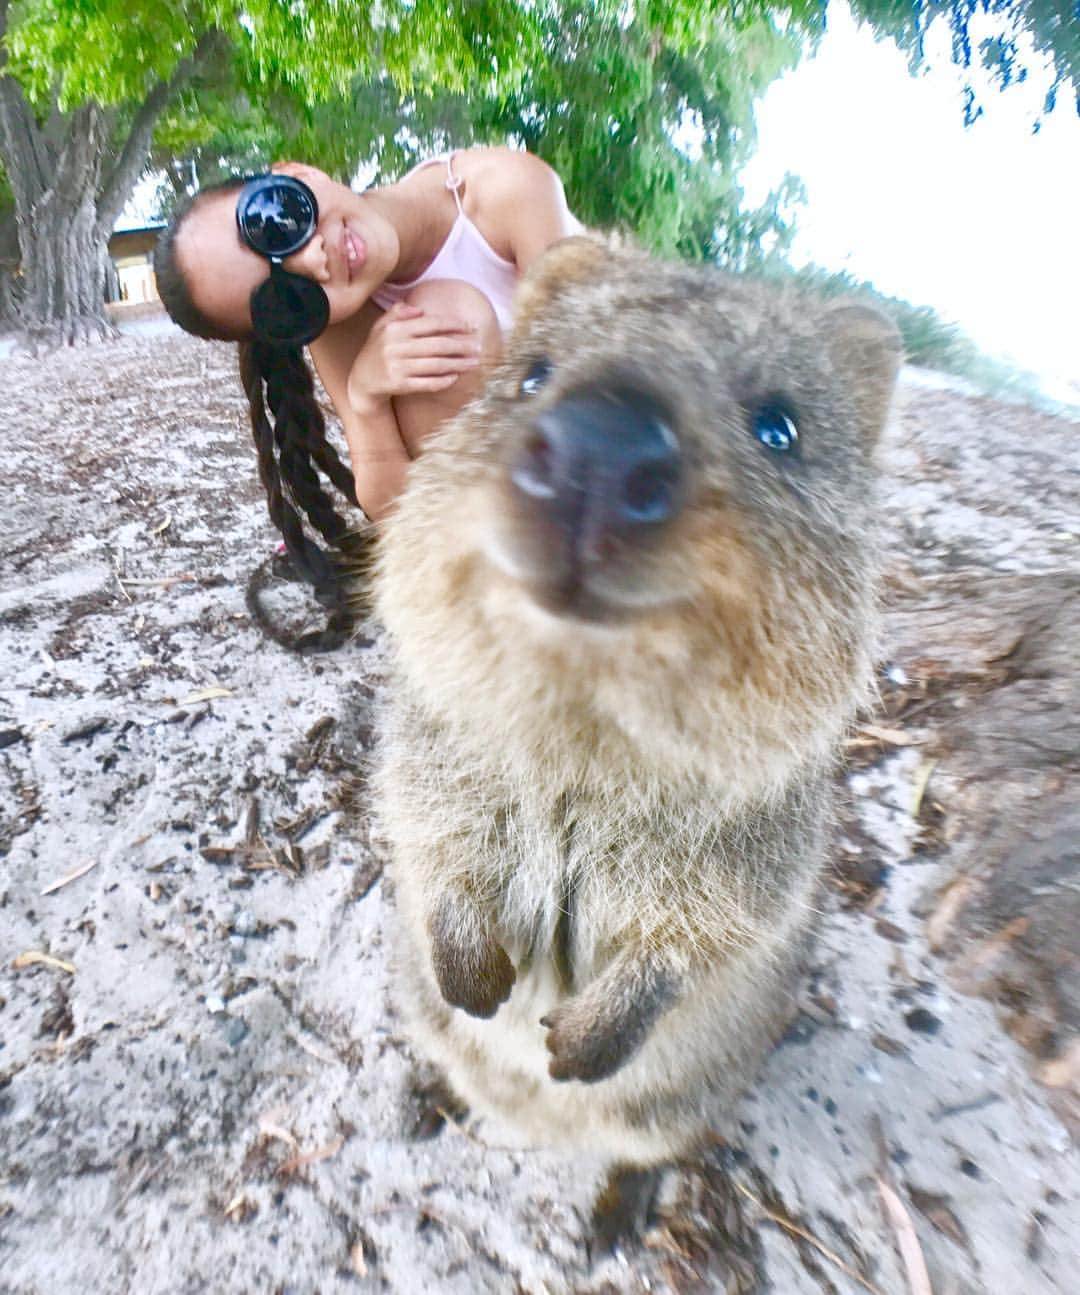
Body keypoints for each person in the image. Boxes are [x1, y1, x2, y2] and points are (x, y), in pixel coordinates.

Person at [153, 147, 583, 646]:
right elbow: (395, 511)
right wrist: (367, 398)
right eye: (285, 299)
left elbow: (587, 368)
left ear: (297, 172)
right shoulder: (336, 320)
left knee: (445, 313)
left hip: (607, 430)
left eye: (277, 224)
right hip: (511, 515)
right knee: (436, 319)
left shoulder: (505, 189)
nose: (313, 261)